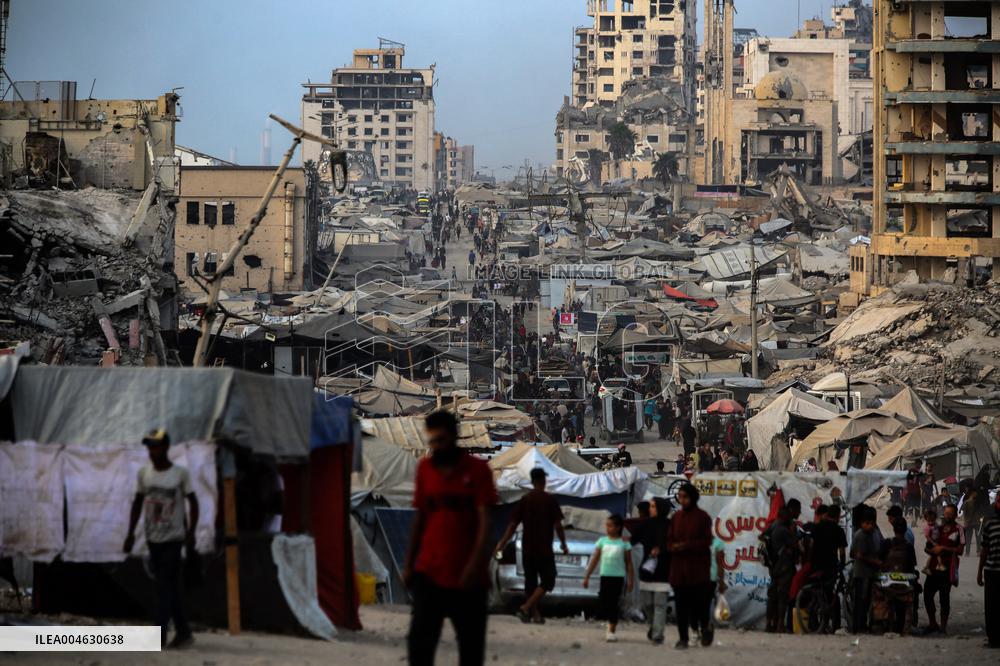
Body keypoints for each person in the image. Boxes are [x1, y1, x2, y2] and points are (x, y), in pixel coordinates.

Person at [405, 411, 497, 666]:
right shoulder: (425, 468)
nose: (436, 447)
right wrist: (409, 564)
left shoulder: (478, 471)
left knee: (470, 649)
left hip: (469, 578)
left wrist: (474, 566)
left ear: (454, 436)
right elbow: (420, 518)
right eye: (432, 441)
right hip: (430, 570)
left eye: (441, 440)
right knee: (420, 645)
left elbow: (485, 523)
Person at [123, 429, 199, 649]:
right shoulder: (144, 474)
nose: (151, 451)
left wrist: (192, 531)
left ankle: (159, 635)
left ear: (166, 447)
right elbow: (137, 503)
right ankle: (184, 632)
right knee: (169, 587)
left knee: (163, 588)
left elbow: (193, 502)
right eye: (149, 446)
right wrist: (130, 533)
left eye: (155, 446)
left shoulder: (180, 474)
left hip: (173, 539)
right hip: (152, 538)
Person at [494, 468, 568, 624]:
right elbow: (558, 525)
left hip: (527, 548)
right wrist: (563, 544)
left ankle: (535, 615)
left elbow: (512, 525)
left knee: (531, 583)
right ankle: (526, 608)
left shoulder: (525, 500)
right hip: (544, 548)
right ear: (543, 481)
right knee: (548, 580)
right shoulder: (549, 500)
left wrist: (501, 543)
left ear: (532, 481)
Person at [666, 482, 714, 649]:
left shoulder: (702, 517)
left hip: (698, 570)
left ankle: (705, 627)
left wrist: (687, 546)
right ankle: (683, 638)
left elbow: (707, 541)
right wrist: (674, 547)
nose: (682, 500)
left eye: (685, 497)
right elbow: (669, 540)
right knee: (681, 606)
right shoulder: (676, 517)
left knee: (699, 606)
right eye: (680, 497)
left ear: (693, 497)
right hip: (679, 570)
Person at [582, 514, 634, 642]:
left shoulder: (624, 543)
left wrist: (630, 580)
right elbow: (595, 559)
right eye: (607, 525)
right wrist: (587, 576)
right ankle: (610, 622)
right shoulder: (602, 541)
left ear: (618, 527)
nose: (608, 528)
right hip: (605, 576)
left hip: (618, 577)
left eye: (610, 526)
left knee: (613, 603)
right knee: (604, 601)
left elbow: (628, 563)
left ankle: (611, 630)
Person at [632, 498, 671, 644]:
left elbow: (674, 544)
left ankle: (657, 635)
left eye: (653, 506)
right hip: (647, 570)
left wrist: (662, 549)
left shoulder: (670, 525)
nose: (650, 509)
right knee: (647, 604)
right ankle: (654, 626)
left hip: (663, 570)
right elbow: (633, 540)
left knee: (660, 604)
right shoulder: (645, 525)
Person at [923, 503, 964, 634]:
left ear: (955, 515)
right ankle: (932, 623)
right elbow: (928, 545)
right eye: (946, 513)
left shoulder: (959, 529)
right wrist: (930, 550)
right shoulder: (938, 528)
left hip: (948, 568)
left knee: (944, 597)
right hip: (934, 566)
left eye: (950, 514)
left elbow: (960, 550)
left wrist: (944, 549)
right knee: (927, 594)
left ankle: (943, 627)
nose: (947, 516)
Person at [806, 504, 847, 630]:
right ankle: (835, 626)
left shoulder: (816, 527)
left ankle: (813, 626)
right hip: (830, 567)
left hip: (816, 566)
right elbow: (841, 552)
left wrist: (810, 561)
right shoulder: (839, 530)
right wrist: (842, 565)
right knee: (831, 595)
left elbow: (811, 546)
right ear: (838, 515)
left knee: (815, 594)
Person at [765, 506, 800, 633]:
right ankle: (780, 625)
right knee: (782, 597)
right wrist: (793, 533)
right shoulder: (784, 530)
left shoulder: (772, 526)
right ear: (785, 517)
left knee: (772, 596)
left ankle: (769, 624)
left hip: (773, 567)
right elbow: (795, 545)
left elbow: (762, 537)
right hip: (785, 566)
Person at [850, 508, 882, 634]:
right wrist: (875, 561)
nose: (869, 526)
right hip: (862, 573)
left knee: (867, 600)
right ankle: (859, 626)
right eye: (867, 523)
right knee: (861, 601)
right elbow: (856, 554)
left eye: (871, 523)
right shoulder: (860, 535)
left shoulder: (873, 533)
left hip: (869, 573)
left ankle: (863, 625)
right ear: (862, 523)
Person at [977, 491, 1000, 648]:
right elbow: (984, 549)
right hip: (991, 571)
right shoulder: (989, 524)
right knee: (991, 606)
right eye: (998, 500)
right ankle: (993, 638)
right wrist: (979, 571)